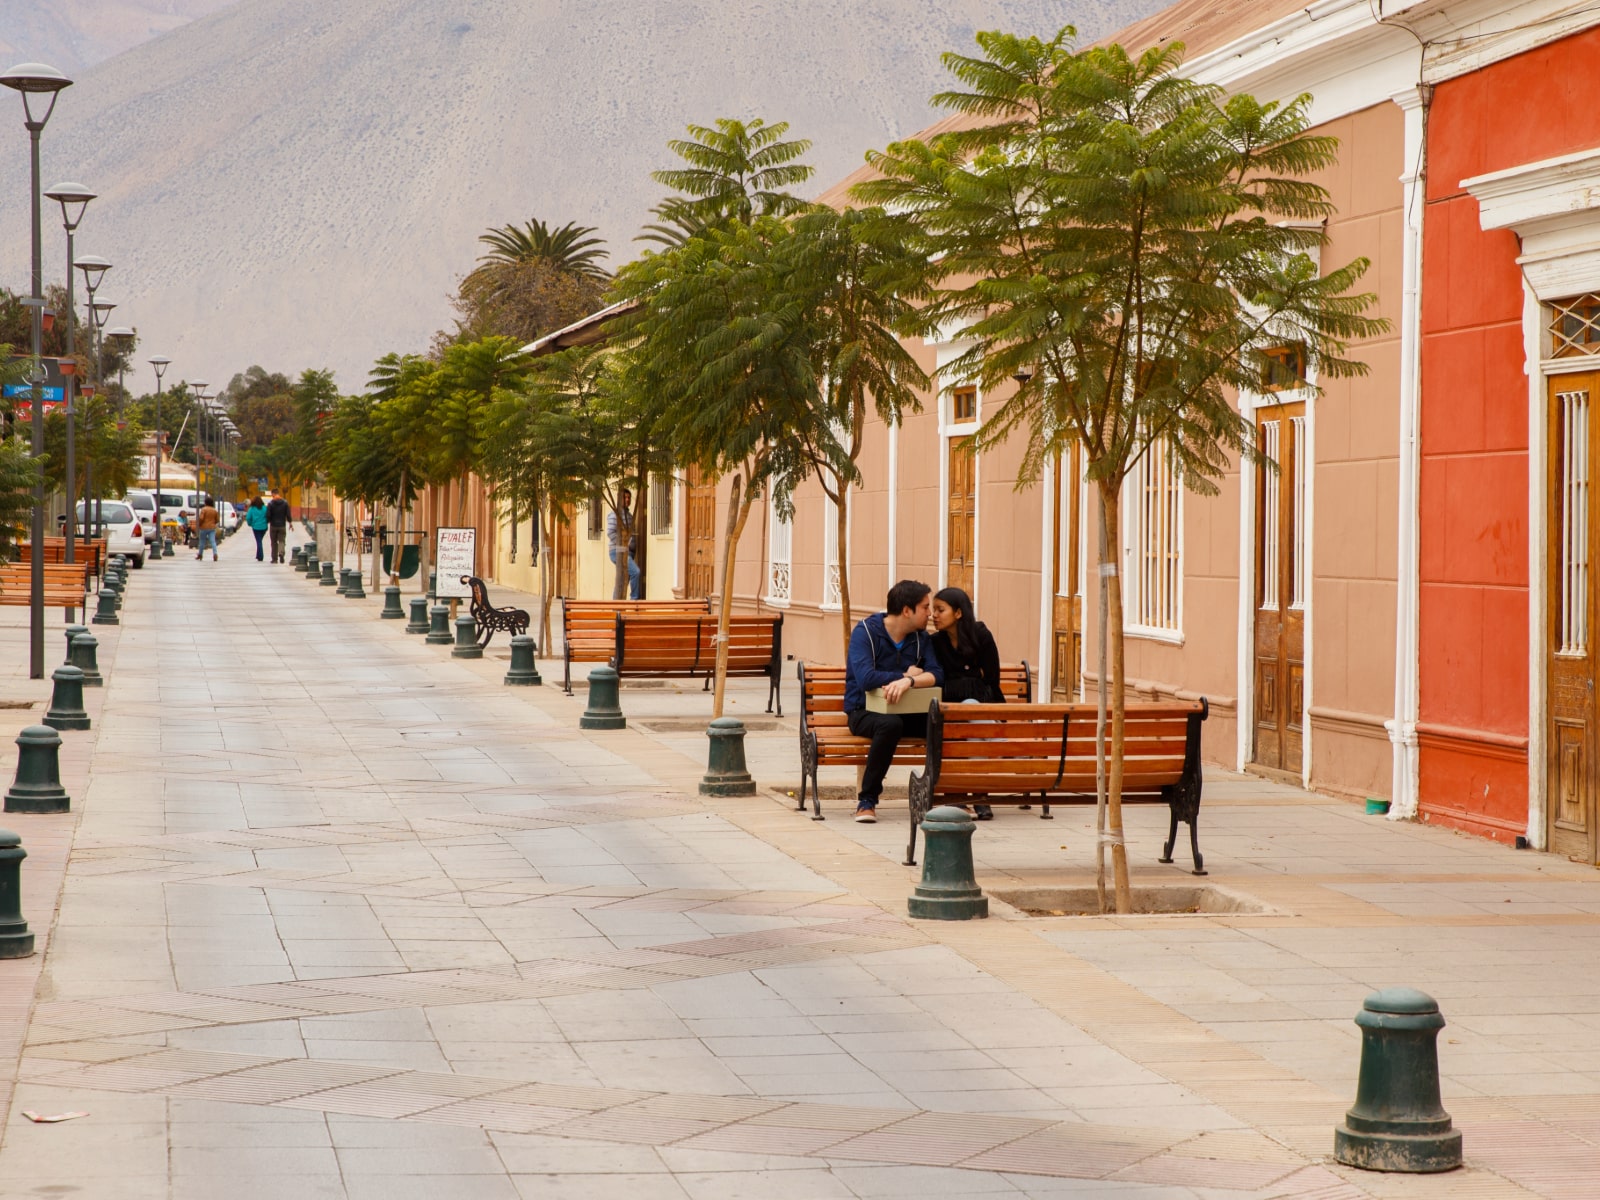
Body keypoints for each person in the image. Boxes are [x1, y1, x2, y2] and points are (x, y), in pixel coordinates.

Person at [843, 580, 945, 823]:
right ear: (907, 611)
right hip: (863, 711)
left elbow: (937, 674)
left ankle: (947, 795)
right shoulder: (866, 632)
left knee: (940, 723)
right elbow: (866, 678)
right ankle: (866, 801)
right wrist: (905, 675)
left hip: (907, 710)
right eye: (925, 607)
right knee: (890, 725)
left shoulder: (921, 638)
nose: (929, 614)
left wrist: (909, 682)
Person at [929, 586, 1004, 819]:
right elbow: (940, 685)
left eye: (940, 610)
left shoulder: (981, 636)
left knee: (971, 710)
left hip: (983, 710)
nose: (934, 615)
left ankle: (967, 797)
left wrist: (961, 685)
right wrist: (971, 679)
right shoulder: (935, 643)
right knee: (967, 715)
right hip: (950, 714)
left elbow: (991, 681)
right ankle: (980, 797)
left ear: (958, 613)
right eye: (932, 610)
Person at [606, 488, 641, 600]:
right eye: (624, 497)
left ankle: (616, 604)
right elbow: (610, 533)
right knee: (636, 572)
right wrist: (623, 544)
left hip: (628, 553)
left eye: (629, 497)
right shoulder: (614, 515)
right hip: (617, 551)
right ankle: (634, 600)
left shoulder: (630, 516)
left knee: (623, 579)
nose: (627, 500)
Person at [265, 492, 292, 563]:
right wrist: (290, 522)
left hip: (273, 525)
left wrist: (268, 521)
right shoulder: (285, 503)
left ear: (273, 496)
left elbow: (268, 515)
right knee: (282, 541)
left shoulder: (270, 504)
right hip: (282, 525)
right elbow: (288, 514)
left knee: (273, 542)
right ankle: (281, 553)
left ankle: (274, 559)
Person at [245, 496, 269, 561]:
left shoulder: (252, 509)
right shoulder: (265, 508)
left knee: (259, 541)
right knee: (259, 540)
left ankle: (260, 556)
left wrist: (250, 524)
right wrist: (266, 522)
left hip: (256, 527)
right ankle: (258, 555)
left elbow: (248, 518)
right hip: (264, 527)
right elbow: (268, 516)